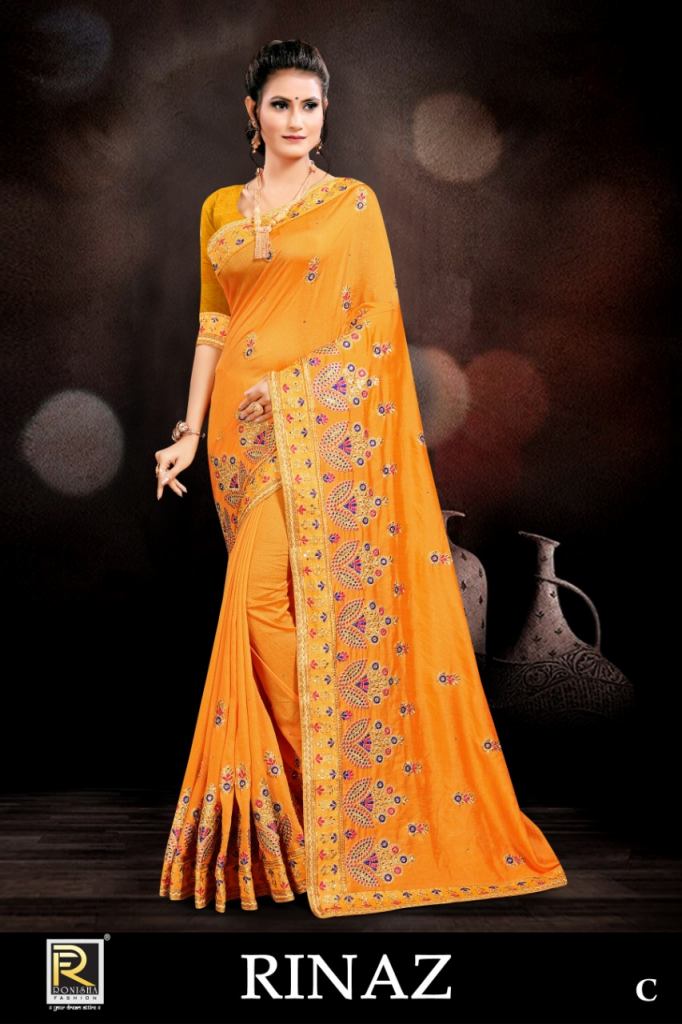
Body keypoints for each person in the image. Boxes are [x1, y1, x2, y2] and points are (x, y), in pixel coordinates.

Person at [156, 39, 568, 919]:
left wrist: (291, 388)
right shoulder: (219, 207)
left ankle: (351, 788)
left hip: (313, 426)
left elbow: (376, 330)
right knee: (276, 610)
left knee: (264, 603)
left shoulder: (351, 204)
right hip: (234, 438)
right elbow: (213, 325)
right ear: (253, 112)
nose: (296, 120)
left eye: (309, 105)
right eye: (280, 104)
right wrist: (188, 432)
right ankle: (323, 814)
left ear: (324, 113)